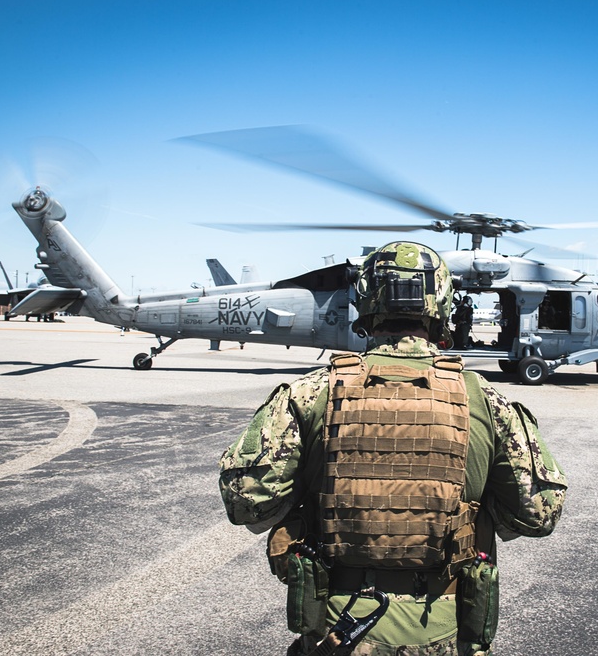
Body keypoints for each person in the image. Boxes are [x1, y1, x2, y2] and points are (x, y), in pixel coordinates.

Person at [219, 241, 567, 656]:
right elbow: (539, 513)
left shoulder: (310, 393)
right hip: (443, 628)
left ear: (366, 300)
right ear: (442, 303)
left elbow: (246, 502)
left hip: (337, 630)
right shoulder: (484, 400)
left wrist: (312, 502)